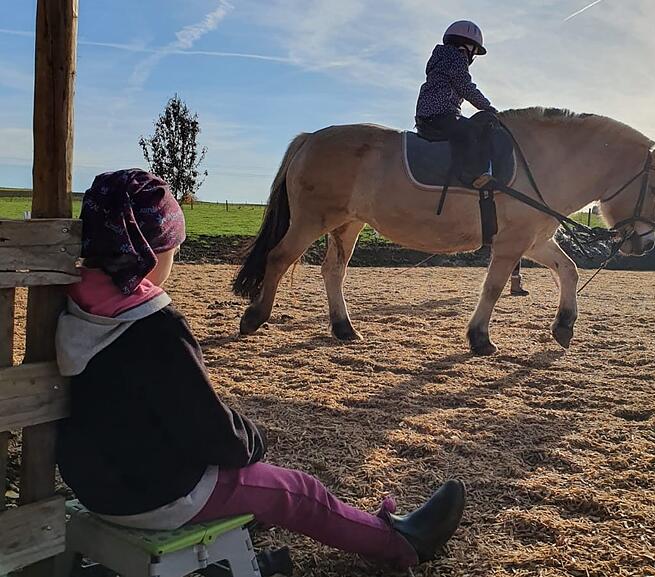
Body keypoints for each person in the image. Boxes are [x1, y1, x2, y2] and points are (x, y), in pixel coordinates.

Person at [55, 169, 466, 570]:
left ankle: (237, 558)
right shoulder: (152, 325)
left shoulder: (72, 304)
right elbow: (212, 435)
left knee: (252, 481)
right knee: (297, 491)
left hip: (97, 487)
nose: (174, 260)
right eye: (174, 250)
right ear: (151, 249)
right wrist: (253, 440)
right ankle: (400, 541)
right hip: (158, 495)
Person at [415, 20, 497, 189]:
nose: (473, 55)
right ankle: (473, 174)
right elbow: (466, 87)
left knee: (467, 127)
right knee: (472, 129)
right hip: (440, 113)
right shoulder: (455, 58)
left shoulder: (442, 57)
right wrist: (487, 107)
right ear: (466, 46)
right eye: (474, 50)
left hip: (430, 113)